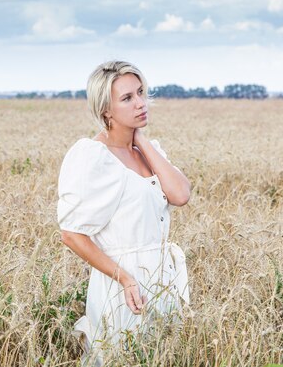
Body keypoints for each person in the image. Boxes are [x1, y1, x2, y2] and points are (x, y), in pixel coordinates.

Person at [56, 60, 191, 364]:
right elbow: (71, 234)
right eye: (127, 98)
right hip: (122, 288)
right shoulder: (92, 157)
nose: (141, 103)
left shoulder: (147, 150)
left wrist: (139, 139)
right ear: (106, 110)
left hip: (161, 280)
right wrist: (125, 279)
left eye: (141, 93)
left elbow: (180, 195)